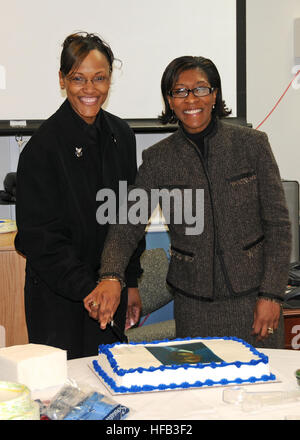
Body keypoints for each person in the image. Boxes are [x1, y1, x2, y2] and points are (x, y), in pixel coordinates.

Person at [84, 55, 291, 349]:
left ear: (215, 95)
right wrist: (110, 275)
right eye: (180, 91)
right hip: (194, 306)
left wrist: (271, 295)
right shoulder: (159, 159)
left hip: (254, 300)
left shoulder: (252, 145)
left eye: (201, 89)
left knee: (261, 388)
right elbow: (127, 225)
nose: (191, 99)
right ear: (170, 101)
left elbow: (279, 226)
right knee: (200, 391)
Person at [15, 32, 145, 359]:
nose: (90, 89)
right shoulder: (42, 148)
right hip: (61, 299)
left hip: (110, 290)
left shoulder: (123, 136)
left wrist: (128, 283)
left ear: (109, 80)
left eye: (99, 78)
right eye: (78, 79)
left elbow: (130, 217)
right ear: (62, 80)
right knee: (63, 397)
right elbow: (42, 239)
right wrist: (90, 291)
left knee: (110, 388)